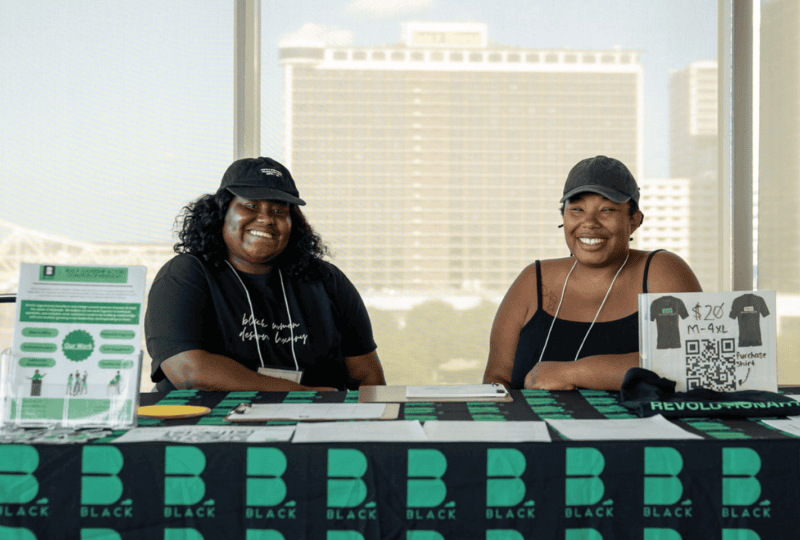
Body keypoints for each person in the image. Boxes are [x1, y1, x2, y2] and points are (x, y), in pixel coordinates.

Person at [145, 157, 386, 393]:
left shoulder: (327, 279)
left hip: (313, 426)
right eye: (250, 205)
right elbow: (189, 371)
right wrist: (302, 394)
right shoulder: (185, 274)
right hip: (208, 425)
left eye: (279, 210)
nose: (266, 219)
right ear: (221, 213)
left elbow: (368, 376)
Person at [483, 155, 702, 391]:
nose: (589, 222)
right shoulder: (532, 280)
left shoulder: (661, 271)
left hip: (637, 427)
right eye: (576, 209)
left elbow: (690, 360)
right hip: (536, 426)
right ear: (564, 218)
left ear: (634, 220)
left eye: (607, 209)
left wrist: (574, 372)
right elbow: (496, 380)